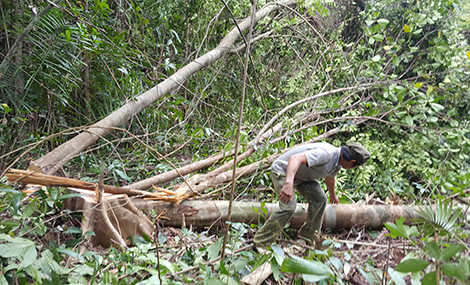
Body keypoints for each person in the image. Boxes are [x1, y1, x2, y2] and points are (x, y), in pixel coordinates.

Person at [254, 142, 370, 250]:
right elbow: (295, 159)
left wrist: (332, 195)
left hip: (303, 177)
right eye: (356, 166)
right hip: (284, 171)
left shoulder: (338, 162)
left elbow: (330, 178)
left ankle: (306, 238)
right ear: (352, 162)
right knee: (288, 208)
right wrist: (288, 183)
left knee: (320, 200)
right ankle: (261, 242)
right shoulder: (326, 154)